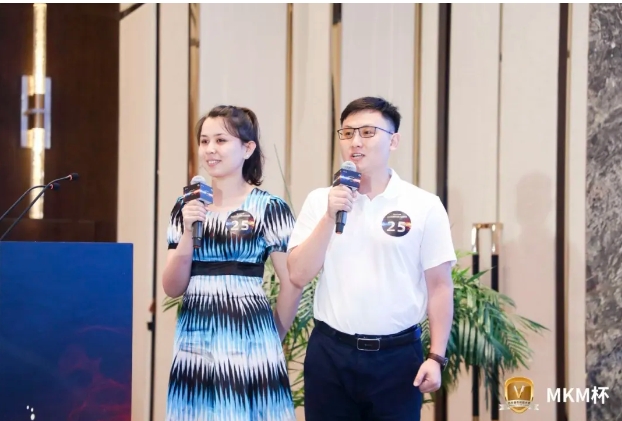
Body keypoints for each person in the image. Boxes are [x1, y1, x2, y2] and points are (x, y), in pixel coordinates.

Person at [287, 96, 456, 421]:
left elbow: (440, 286)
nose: (355, 142)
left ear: (393, 141)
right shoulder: (321, 201)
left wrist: (436, 357)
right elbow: (297, 274)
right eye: (347, 133)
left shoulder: (423, 205)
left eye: (367, 132)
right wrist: (329, 216)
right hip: (330, 355)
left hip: (397, 358)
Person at [162, 105, 301, 421]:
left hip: (251, 339)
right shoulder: (186, 207)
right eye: (204, 141)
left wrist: (272, 335)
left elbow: (292, 282)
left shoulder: (270, 208)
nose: (210, 149)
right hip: (195, 341)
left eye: (221, 140)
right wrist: (188, 233)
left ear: (247, 148)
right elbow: (171, 287)